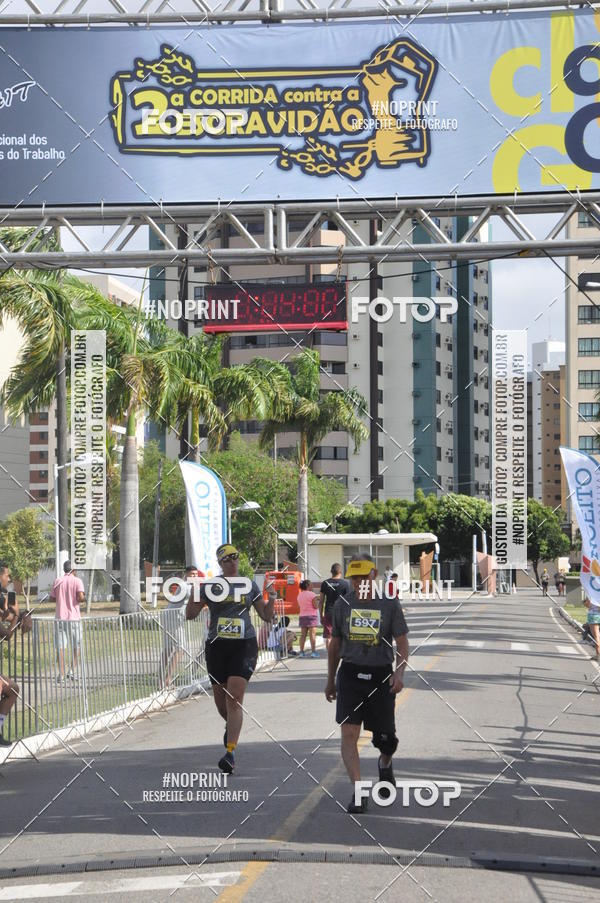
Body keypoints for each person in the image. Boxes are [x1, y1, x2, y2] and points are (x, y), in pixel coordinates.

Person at [325, 556, 409, 814]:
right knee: (349, 734)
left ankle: (385, 763)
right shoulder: (342, 605)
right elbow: (335, 645)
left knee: (386, 740)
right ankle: (359, 792)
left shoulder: (389, 604)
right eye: (354, 577)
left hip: (380, 675)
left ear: (373, 575)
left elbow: (402, 643)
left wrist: (399, 673)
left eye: (363, 576)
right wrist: (331, 679)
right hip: (350, 675)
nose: (358, 582)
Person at [186, 543, 275, 774]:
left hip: (244, 645)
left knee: (234, 698)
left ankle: (230, 753)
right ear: (220, 563)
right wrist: (195, 591)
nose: (232, 561)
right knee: (221, 702)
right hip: (217, 646)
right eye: (227, 559)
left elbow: (266, 616)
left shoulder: (248, 585)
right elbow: (190, 614)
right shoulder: (211, 586)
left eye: (235, 557)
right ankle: (230, 724)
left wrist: (272, 597)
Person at [0, 562, 32, 747]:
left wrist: (20, 615)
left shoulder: (5, 597)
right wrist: (16, 617)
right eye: (7, 575)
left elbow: (8, 623)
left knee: (12, 689)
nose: (10, 579)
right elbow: (7, 631)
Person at [161, 565, 204, 688]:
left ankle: (162, 679)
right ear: (187, 575)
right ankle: (167, 680)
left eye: (196, 575)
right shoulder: (186, 586)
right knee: (180, 649)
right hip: (173, 618)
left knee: (169, 649)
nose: (195, 577)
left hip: (174, 618)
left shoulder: (189, 586)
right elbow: (198, 600)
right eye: (192, 575)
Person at [50, 561, 85, 682]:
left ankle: (61, 674)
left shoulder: (57, 581)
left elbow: (52, 598)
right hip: (74, 619)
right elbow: (80, 597)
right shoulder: (77, 581)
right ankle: (72, 670)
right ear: (73, 570)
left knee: (60, 647)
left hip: (60, 618)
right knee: (77, 645)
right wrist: (81, 598)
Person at [319, 564, 350, 650]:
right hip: (341, 613)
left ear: (331, 572)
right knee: (341, 634)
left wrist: (321, 616)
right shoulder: (345, 584)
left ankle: (329, 654)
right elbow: (348, 602)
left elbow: (321, 601)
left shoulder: (325, 583)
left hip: (328, 612)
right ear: (340, 572)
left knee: (328, 636)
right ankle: (339, 652)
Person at [298, 579, 319, 657]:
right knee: (312, 635)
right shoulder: (312, 594)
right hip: (312, 616)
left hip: (302, 616)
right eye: (311, 585)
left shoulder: (299, 595)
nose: (312, 586)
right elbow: (315, 606)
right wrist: (318, 602)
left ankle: (301, 652)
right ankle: (313, 652)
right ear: (307, 586)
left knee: (303, 635)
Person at [583, 596, 600, 661]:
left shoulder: (591, 591)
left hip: (594, 615)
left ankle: (598, 655)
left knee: (596, 636)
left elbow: (588, 604)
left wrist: (585, 603)